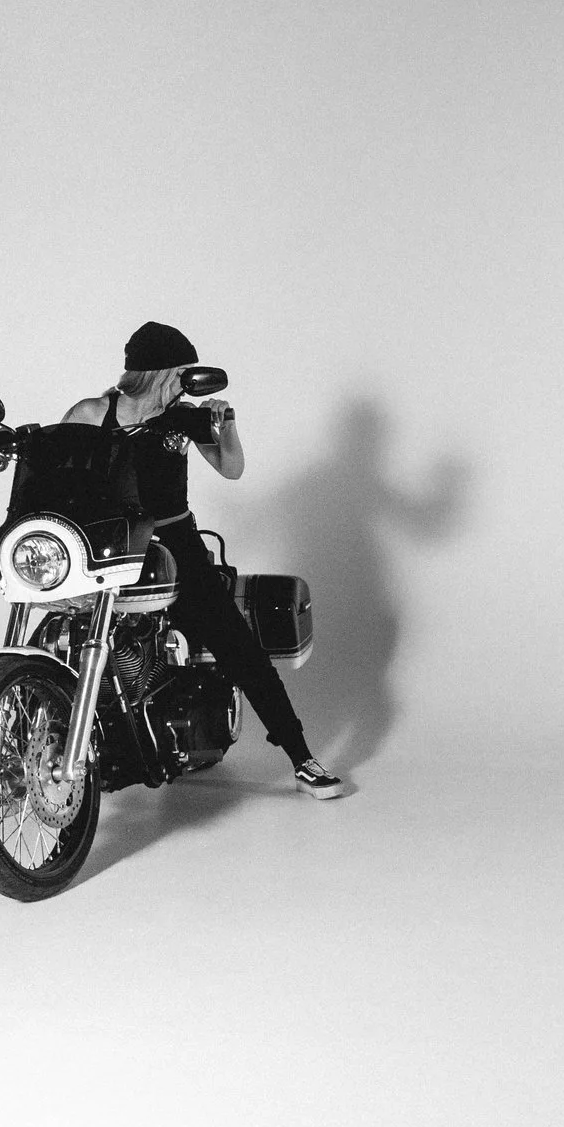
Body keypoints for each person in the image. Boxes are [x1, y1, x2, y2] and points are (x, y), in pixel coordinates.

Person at [63, 321, 346, 799]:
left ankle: (302, 759)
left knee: (239, 648)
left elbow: (232, 469)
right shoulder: (92, 413)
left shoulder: (184, 418)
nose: (187, 382)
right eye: (182, 372)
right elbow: (59, 472)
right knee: (64, 632)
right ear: (158, 372)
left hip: (175, 544)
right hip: (108, 546)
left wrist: (226, 425)